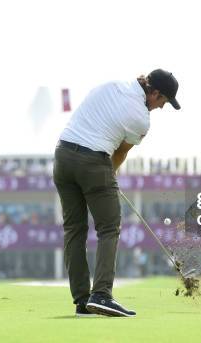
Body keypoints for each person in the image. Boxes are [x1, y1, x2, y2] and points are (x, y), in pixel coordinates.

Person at [53, 69, 180, 317]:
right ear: (154, 92)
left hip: (62, 157)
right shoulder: (141, 118)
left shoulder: (111, 84)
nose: (162, 107)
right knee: (109, 227)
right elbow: (120, 154)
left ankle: (82, 301)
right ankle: (101, 294)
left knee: (74, 229)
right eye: (163, 101)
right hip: (93, 161)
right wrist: (108, 176)